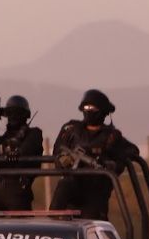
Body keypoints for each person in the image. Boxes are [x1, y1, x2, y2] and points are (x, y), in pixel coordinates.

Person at [49, 89, 140, 220]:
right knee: (64, 187)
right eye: (86, 107)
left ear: (103, 111)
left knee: (92, 226)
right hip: (72, 186)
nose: (89, 111)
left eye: (93, 108)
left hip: (95, 193)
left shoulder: (111, 136)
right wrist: (63, 159)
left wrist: (110, 164)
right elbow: (57, 152)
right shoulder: (71, 130)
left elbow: (132, 151)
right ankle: (50, 224)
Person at [0, 95, 44, 211]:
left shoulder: (34, 134)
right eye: (11, 113)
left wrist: (14, 150)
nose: (13, 117)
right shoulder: (1, 138)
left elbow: (27, 150)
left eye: (17, 113)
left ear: (25, 115)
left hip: (20, 190)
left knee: (19, 227)